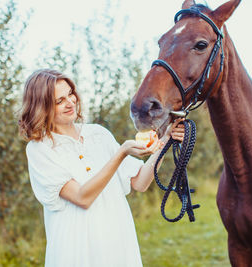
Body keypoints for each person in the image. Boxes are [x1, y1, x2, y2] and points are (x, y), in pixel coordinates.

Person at [18, 69, 184, 267]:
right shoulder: (40, 149)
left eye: (70, 94)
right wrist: (121, 153)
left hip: (116, 240)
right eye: (59, 101)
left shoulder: (98, 134)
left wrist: (165, 141)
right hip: (75, 250)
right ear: (41, 107)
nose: (70, 102)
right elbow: (82, 197)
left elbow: (140, 182)